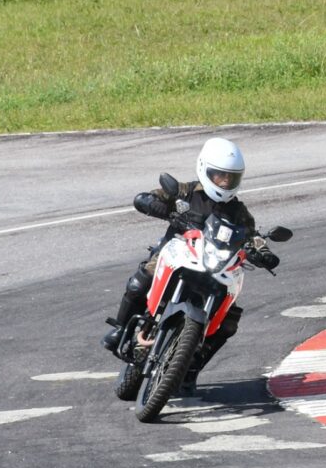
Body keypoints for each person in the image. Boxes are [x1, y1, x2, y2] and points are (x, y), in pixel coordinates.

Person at [101, 137, 277, 389]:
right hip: (176, 254)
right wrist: (158, 206)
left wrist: (264, 252)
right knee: (141, 282)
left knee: (229, 320)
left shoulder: (239, 211)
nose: (225, 182)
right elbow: (147, 197)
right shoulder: (185, 192)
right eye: (219, 176)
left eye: (231, 177)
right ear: (205, 169)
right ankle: (120, 328)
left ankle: (191, 366)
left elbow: (253, 236)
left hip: (215, 266)